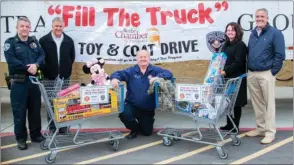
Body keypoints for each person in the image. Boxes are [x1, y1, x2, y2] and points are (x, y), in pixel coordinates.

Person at [110, 50, 173, 139]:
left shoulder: (155, 70)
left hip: (147, 108)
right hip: (131, 104)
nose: (143, 59)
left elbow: (168, 74)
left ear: (149, 58)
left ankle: (145, 123)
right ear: (137, 59)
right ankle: (134, 129)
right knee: (124, 114)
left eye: (145, 57)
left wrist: (157, 77)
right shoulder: (131, 71)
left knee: (147, 132)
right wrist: (115, 79)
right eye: (140, 57)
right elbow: (118, 73)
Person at [3, 17, 45, 150]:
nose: (24, 29)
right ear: (17, 28)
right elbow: (11, 60)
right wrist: (27, 67)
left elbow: (42, 55)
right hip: (19, 83)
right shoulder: (10, 43)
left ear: (30, 28)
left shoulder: (34, 41)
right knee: (19, 112)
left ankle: (36, 134)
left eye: (27, 26)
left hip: (33, 82)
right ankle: (21, 139)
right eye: (22, 26)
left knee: (35, 110)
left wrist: (36, 64)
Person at [246, 8, 285, 144]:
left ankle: (270, 132)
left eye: (262, 16)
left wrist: (272, 72)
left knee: (269, 104)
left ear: (267, 18)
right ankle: (261, 128)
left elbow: (280, 55)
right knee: (257, 103)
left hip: (266, 74)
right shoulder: (253, 33)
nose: (259, 19)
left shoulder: (275, 33)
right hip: (252, 74)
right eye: (257, 17)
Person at [39, 16, 75, 134]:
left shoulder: (69, 40)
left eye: (60, 26)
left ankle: (63, 127)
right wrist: (47, 71)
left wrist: (65, 70)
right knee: (50, 103)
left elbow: (72, 57)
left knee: (62, 102)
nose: (58, 28)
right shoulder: (43, 40)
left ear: (63, 27)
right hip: (49, 78)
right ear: (52, 26)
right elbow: (41, 58)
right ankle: (53, 127)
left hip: (64, 77)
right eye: (56, 26)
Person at [219, 22, 248, 133]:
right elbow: (221, 59)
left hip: (236, 78)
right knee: (227, 102)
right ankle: (229, 124)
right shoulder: (226, 44)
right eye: (228, 30)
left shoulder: (240, 45)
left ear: (237, 32)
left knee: (236, 103)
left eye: (233, 30)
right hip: (226, 79)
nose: (230, 32)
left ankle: (235, 126)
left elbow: (238, 62)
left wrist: (226, 71)